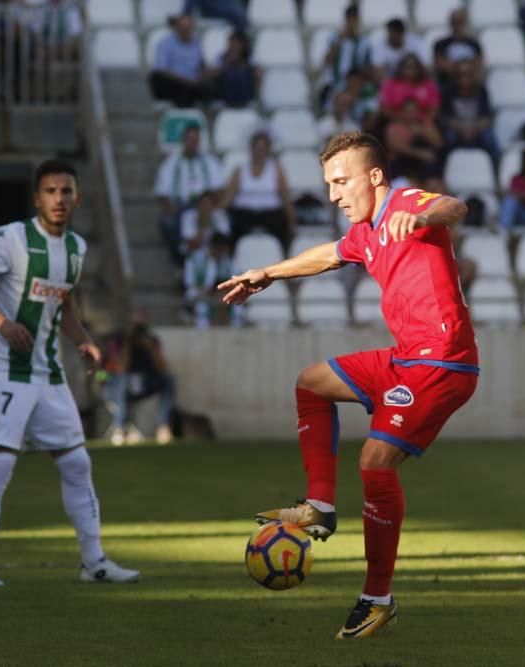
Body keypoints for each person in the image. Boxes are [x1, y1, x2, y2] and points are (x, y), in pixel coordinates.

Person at [219, 132, 478, 639]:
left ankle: (376, 598)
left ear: (374, 177)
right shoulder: (367, 231)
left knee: (374, 463)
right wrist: (268, 273)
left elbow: (456, 205)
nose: (334, 195)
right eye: (329, 184)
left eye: (341, 182)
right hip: (404, 359)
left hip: (441, 364)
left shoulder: (405, 201)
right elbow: (329, 255)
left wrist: (425, 216)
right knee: (312, 384)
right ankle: (319, 506)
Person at [0, 160, 140, 587]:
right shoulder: (11, 238)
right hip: (6, 371)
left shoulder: (75, 248)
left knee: (78, 463)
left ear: (77, 198)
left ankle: (94, 562)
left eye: (66, 192)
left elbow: (65, 304)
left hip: (50, 374)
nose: (59, 199)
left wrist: (83, 340)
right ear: (37, 198)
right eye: (51, 192)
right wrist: (1, 322)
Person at [101, 312, 179, 444]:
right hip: (114, 387)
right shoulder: (118, 340)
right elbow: (118, 369)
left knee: (169, 379)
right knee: (123, 379)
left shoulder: (153, 341)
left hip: (144, 384)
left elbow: (164, 367)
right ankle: (121, 428)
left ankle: (163, 426)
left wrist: (151, 349)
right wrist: (127, 345)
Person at [154, 123, 224, 262]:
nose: (193, 144)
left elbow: (218, 189)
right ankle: (181, 259)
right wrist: (170, 207)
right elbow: (161, 192)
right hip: (181, 206)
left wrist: (210, 205)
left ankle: (216, 262)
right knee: (168, 222)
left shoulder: (210, 162)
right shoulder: (171, 162)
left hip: (205, 205)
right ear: (183, 141)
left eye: (195, 140)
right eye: (190, 140)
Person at [220, 131, 297, 250]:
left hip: (270, 214)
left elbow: (285, 197)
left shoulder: (276, 169)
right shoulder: (240, 170)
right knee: (231, 225)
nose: (259, 152)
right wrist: (218, 214)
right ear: (251, 149)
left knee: (282, 224)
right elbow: (228, 198)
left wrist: (291, 219)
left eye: (263, 148)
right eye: (257, 148)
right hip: (244, 214)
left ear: (267, 150)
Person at [439, 60, 499, 164]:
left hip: (476, 128)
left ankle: (496, 169)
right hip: (457, 129)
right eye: (460, 75)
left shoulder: (481, 91)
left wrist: (473, 128)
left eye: (467, 74)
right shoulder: (448, 91)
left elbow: (487, 117)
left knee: (489, 137)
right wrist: (462, 128)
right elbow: (444, 118)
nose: (464, 78)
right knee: (448, 138)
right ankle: (445, 169)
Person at [148, 13, 211, 107]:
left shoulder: (196, 42)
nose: (186, 31)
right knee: (157, 77)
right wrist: (187, 81)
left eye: (188, 28)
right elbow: (162, 70)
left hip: (193, 83)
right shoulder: (165, 44)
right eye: (183, 28)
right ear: (176, 28)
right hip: (175, 83)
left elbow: (201, 64)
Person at [319, 4, 372, 110]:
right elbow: (327, 62)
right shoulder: (334, 38)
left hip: (355, 87)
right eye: (349, 19)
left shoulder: (364, 42)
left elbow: (367, 68)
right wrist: (339, 41)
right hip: (335, 84)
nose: (351, 23)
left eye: (354, 19)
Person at [184, 232, 239, 329]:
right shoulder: (195, 260)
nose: (219, 253)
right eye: (218, 250)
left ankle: (235, 327)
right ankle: (203, 326)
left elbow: (235, 281)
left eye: (222, 251)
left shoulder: (228, 261)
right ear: (211, 247)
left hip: (220, 291)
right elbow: (189, 283)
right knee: (201, 302)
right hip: (200, 291)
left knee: (238, 302)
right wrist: (205, 291)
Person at [379, 53, 440, 123]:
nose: (410, 69)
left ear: (419, 68)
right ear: (400, 68)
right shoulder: (389, 84)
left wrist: (423, 122)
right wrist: (402, 121)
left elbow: (434, 108)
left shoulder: (429, 85)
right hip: (396, 122)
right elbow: (385, 108)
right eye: (407, 66)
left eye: (414, 66)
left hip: (423, 123)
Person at [206, 30, 259, 108]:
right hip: (225, 94)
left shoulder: (250, 57)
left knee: (241, 72)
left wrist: (243, 64)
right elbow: (211, 74)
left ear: (243, 45)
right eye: (232, 43)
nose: (234, 46)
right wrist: (227, 64)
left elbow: (258, 74)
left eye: (237, 43)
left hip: (245, 94)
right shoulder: (221, 57)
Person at [432, 8, 482, 84]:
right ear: (450, 23)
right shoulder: (440, 44)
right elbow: (441, 65)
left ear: (465, 22)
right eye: (454, 22)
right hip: (447, 84)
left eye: (460, 22)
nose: (457, 25)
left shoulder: (474, 44)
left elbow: (478, 65)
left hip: (471, 84)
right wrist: (463, 69)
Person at [370, 17, 427, 83]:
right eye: (391, 33)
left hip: (412, 83)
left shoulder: (416, 43)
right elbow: (377, 72)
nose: (393, 37)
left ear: (402, 33)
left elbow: (423, 68)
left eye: (396, 34)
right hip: (389, 84)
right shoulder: (379, 45)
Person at [180, 192, 231, 256]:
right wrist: (203, 224)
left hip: (214, 254)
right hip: (192, 254)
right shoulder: (188, 216)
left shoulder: (220, 215)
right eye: (203, 204)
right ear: (198, 205)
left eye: (208, 205)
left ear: (213, 206)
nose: (205, 208)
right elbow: (192, 245)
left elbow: (223, 243)